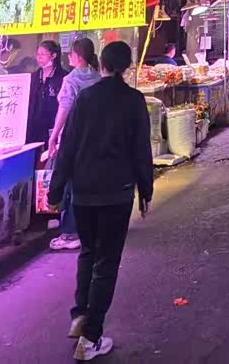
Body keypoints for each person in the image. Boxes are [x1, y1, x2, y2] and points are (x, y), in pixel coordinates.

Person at [49, 40, 153, 362]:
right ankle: (91, 337)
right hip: (116, 193)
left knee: (88, 254)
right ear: (126, 67)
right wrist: (145, 191)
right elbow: (141, 150)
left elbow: (68, 147)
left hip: (83, 192)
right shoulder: (134, 100)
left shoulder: (85, 98)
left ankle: (80, 316)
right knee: (106, 262)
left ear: (103, 65)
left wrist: (55, 191)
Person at [48, 38, 102, 252]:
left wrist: (54, 136)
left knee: (71, 186)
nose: (68, 57)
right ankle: (87, 229)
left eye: (70, 53)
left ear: (78, 56)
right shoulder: (98, 77)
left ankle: (71, 233)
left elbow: (64, 109)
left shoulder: (72, 79)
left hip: (75, 138)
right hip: (95, 138)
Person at [27, 40, 67, 148]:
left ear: (53, 56)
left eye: (43, 54)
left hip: (53, 126)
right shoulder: (33, 77)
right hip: (34, 127)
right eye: (38, 54)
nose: (39, 57)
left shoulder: (64, 77)